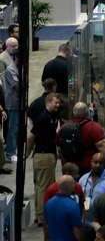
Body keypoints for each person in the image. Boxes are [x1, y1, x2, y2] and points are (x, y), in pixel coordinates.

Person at [26, 92, 61, 227]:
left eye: (59, 102)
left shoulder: (52, 117)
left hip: (47, 154)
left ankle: (40, 215)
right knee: (43, 187)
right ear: (48, 103)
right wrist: (29, 151)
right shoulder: (43, 118)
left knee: (43, 185)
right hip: (44, 155)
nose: (58, 105)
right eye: (55, 102)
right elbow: (31, 136)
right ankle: (41, 216)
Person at [58, 102, 105, 173]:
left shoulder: (64, 127)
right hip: (88, 167)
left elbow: (58, 142)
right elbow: (102, 144)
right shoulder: (93, 126)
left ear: (73, 113)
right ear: (87, 112)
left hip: (68, 167)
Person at [44, 175, 83, 241]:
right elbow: (77, 231)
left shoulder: (48, 203)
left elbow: (46, 225)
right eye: (73, 184)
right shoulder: (72, 205)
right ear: (69, 188)